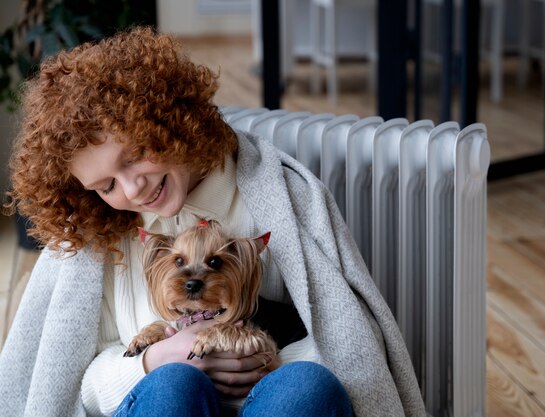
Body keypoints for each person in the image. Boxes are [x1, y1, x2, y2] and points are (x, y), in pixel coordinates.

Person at [0, 27, 425, 417]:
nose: (132, 190)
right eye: (106, 185)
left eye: (133, 158)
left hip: (267, 397)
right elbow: (71, 386)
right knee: (174, 387)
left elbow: (347, 345)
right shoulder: (103, 240)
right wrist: (155, 360)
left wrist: (259, 361)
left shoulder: (279, 198)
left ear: (165, 120)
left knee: (307, 388)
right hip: (164, 401)